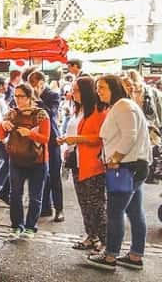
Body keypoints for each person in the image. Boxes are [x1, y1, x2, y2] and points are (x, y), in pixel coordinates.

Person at [86, 75, 151, 271]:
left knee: (115, 212)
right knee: (134, 211)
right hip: (132, 166)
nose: (99, 91)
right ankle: (135, 255)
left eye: (103, 87)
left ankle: (110, 256)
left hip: (125, 167)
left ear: (114, 88)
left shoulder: (123, 106)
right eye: (98, 88)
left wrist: (115, 158)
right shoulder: (123, 105)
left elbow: (129, 136)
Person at [57, 76, 108, 253]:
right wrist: (66, 141)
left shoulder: (99, 110)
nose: (72, 93)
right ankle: (91, 235)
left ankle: (104, 240)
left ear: (86, 91)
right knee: (84, 203)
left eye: (76, 89)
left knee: (96, 204)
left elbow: (101, 138)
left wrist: (76, 139)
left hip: (93, 164)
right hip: (76, 162)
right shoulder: (78, 110)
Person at [0, 83, 50, 240]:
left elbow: (46, 138)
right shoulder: (11, 114)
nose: (18, 99)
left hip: (38, 161)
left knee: (35, 196)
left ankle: (30, 227)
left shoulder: (41, 115)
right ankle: (16, 226)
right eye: (15, 96)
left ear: (29, 97)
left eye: (21, 96)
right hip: (16, 160)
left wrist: (30, 134)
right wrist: (3, 125)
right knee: (15, 194)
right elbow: (1, 136)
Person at [28, 70, 64, 222]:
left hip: (52, 139)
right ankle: (45, 207)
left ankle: (59, 209)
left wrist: (38, 99)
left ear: (41, 82)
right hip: (36, 140)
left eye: (33, 84)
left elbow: (51, 113)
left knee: (54, 175)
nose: (32, 87)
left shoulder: (53, 95)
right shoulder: (29, 96)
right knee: (42, 175)